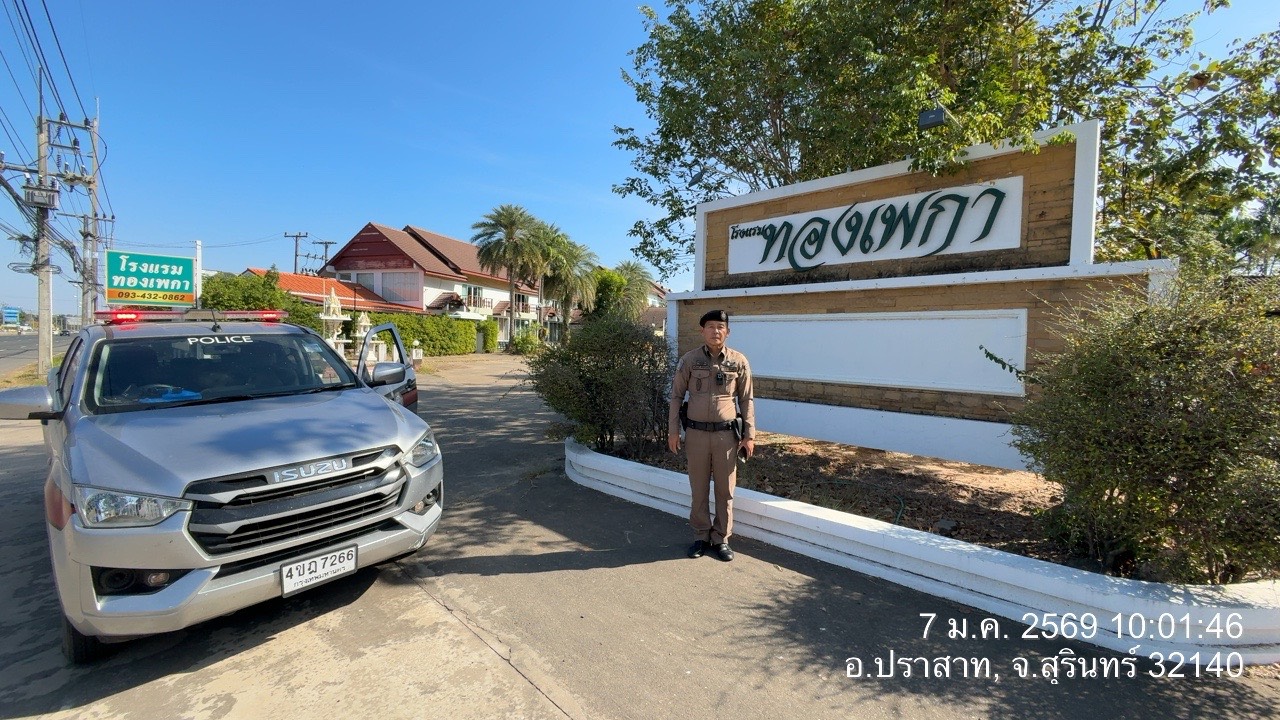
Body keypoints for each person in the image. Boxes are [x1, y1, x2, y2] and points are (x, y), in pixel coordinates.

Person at [668, 309, 755, 562]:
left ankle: (721, 539)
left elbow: (746, 399)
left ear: (727, 332)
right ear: (702, 331)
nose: (715, 331)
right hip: (696, 435)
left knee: (725, 490)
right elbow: (676, 396)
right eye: (710, 326)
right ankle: (701, 536)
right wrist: (673, 431)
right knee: (698, 488)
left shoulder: (738, 361)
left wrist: (749, 435)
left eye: (720, 327)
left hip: (726, 437)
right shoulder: (689, 360)